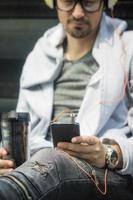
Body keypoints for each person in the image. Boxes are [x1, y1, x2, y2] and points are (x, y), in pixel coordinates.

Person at [0, 0, 133, 199]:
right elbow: (21, 127)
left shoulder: (128, 48)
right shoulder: (38, 56)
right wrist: (6, 159)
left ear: (104, 3)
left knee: (54, 158)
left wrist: (110, 153)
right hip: (37, 169)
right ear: (55, 3)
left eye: (88, 2)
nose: (78, 13)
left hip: (106, 175)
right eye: (69, 1)